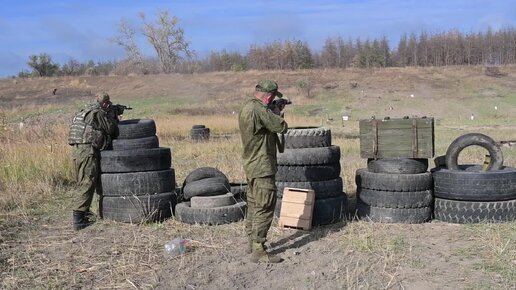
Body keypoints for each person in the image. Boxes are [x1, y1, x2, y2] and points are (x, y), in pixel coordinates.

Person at [238, 80, 289, 263]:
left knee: (254, 204)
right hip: (262, 165)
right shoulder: (260, 110)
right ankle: (259, 249)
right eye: (273, 98)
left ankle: (252, 242)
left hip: (252, 164)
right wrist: (276, 113)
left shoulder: (248, 106)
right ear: (268, 96)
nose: (274, 100)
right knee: (265, 206)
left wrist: (271, 110)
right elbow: (280, 126)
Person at [68, 92, 117, 231]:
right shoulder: (96, 113)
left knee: (84, 180)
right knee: (87, 182)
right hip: (87, 150)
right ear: (105, 103)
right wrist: (112, 116)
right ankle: (79, 218)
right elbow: (111, 129)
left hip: (79, 150)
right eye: (108, 104)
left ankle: (85, 211)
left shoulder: (84, 111)